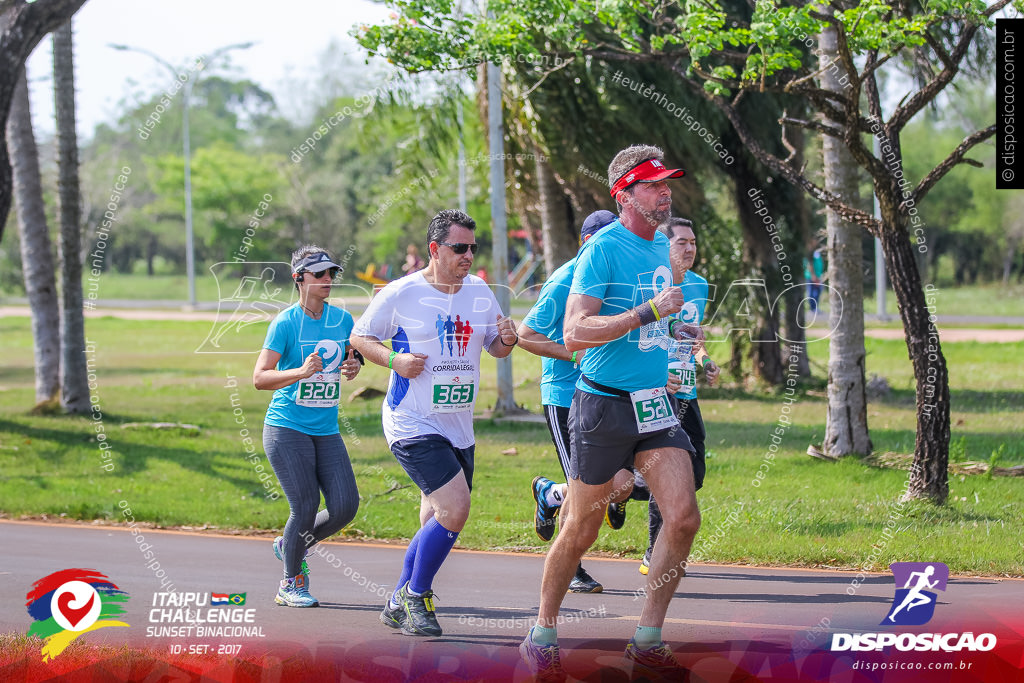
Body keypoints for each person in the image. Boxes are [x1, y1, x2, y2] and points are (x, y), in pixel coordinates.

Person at [520, 145, 700, 682]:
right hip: (601, 407)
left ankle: (646, 638)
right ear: (624, 193)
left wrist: (675, 337)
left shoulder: (660, 251)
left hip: (654, 407)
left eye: (667, 184)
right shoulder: (603, 248)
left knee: (684, 517)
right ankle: (542, 633)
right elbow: (575, 332)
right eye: (653, 185)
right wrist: (647, 311)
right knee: (581, 527)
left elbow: (650, 328)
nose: (664, 192)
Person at [350, 209, 518, 637]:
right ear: (434, 249)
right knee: (455, 508)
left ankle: (397, 600)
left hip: (458, 425)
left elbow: (495, 347)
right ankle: (416, 597)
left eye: (472, 248)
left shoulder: (480, 291)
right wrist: (394, 359)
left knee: (435, 516)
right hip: (412, 420)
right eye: (459, 248)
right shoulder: (401, 293)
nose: (467, 256)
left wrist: (507, 339)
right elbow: (359, 336)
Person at [518, 210, 635, 595]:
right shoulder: (563, 281)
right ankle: (572, 568)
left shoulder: (619, 273)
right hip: (565, 396)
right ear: (588, 242)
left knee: (616, 484)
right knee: (585, 488)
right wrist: (576, 355)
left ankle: (549, 494)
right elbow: (526, 335)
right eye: (605, 241)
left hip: (609, 393)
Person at [253, 246, 363, 607]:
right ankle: (291, 582)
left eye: (331, 273)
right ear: (299, 278)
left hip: (326, 429)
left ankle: (290, 545)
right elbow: (260, 378)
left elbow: (352, 357)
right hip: (286, 427)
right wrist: (299, 372)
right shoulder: (285, 323)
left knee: (345, 505)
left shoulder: (343, 320)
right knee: (304, 506)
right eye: (319, 274)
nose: (327, 279)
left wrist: (353, 368)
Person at [636, 217, 720, 577]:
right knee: (667, 469)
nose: (689, 249)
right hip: (656, 391)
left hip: (687, 390)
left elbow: (691, 339)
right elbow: (638, 339)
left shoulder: (699, 286)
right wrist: (657, 375)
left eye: (693, 242)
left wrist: (705, 360)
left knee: (695, 470)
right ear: (664, 247)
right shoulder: (654, 285)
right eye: (681, 242)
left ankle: (619, 492)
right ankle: (654, 552)